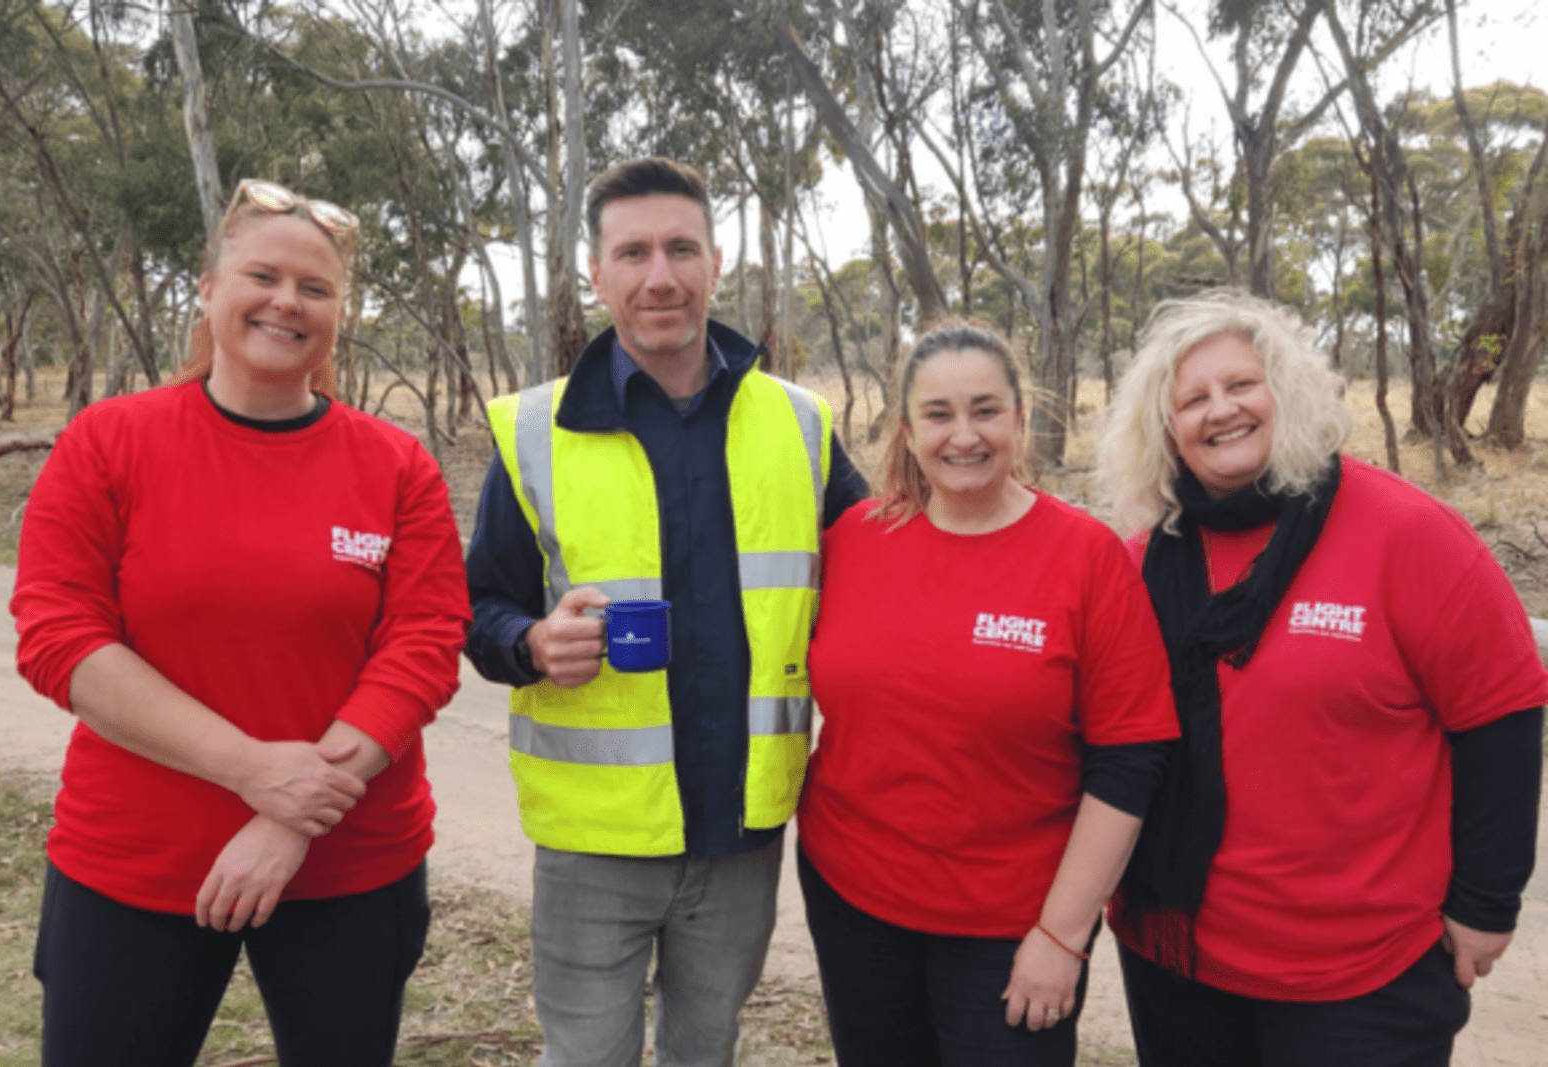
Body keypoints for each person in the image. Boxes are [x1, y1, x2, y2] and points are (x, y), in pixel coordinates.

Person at [10, 178, 470, 1067]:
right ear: (210, 288)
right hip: (138, 860)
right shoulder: (109, 443)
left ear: (340, 311)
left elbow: (423, 645)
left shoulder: (395, 464)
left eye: (316, 287)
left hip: (351, 862)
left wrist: (292, 816)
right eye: (262, 274)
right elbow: (61, 637)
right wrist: (255, 771)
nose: (286, 302)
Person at [465, 156, 868, 1067]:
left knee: (705, 1050)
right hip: (593, 840)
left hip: (742, 829)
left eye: (681, 248)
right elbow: (474, 605)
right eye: (634, 252)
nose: (661, 275)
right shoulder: (533, 430)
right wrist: (528, 640)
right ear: (597, 275)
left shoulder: (800, 424)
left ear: (716, 262)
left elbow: (881, 577)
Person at [1094, 289, 1547, 1067]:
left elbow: (1502, 714)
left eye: (1241, 384)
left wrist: (1485, 904)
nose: (1220, 410)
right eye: (1191, 398)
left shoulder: (1405, 532)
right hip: (1177, 961)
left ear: (1289, 392)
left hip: (1362, 978)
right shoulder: (1145, 559)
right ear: (1165, 429)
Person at [795, 321, 1181, 1067]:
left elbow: (1131, 759)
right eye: (938, 414)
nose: (962, 435)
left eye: (985, 410)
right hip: (853, 899)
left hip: (1012, 923)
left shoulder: (1084, 556)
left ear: (1021, 419)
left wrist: (1064, 933)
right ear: (906, 430)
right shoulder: (852, 540)